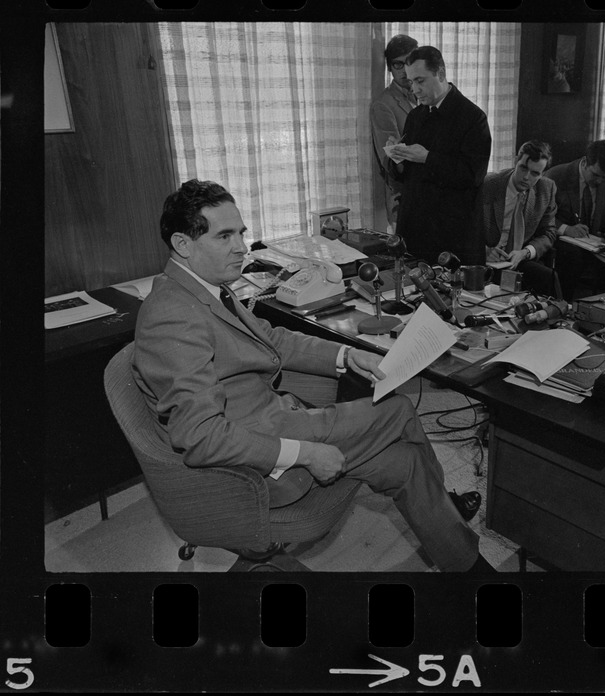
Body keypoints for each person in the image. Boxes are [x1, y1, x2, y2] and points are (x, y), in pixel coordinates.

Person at [132, 179, 495, 574]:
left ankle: (464, 557)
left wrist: (346, 354)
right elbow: (200, 437)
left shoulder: (206, 286)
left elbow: (269, 338)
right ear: (183, 244)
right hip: (257, 461)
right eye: (224, 236)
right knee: (399, 409)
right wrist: (305, 454)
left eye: (241, 233)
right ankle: (452, 517)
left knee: (405, 462)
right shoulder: (172, 314)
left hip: (274, 418)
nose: (240, 247)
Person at [389, 46, 492, 266]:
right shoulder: (416, 116)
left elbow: (472, 175)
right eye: (410, 82)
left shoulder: (473, 118)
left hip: (451, 235)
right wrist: (397, 158)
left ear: (441, 74)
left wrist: (427, 157)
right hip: (415, 230)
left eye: (420, 81)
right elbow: (405, 176)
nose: (415, 89)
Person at [546, 139, 605, 300]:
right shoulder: (556, 176)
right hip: (562, 240)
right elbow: (542, 217)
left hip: (596, 242)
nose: (600, 181)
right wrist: (567, 229)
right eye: (596, 175)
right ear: (584, 162)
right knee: (572, 257)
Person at [482, 140, 560, 297]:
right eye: (523, 168)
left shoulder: (547, 188)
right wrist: (483, 250)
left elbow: (549, 232)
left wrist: (525, 252)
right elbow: (465, 227)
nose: (526, 177)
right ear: (516, 162)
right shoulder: (489, 185)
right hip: (486, 258)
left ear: (542, 174)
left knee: (549, 278)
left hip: (518, 258)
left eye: (535, 173)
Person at [370, 34, 419, 231]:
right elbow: (391, 161)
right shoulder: (383, 104)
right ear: (389, 68)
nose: (405, 70)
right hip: (403, 199)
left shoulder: (424, 95)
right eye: (398, 65)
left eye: (409, 62)